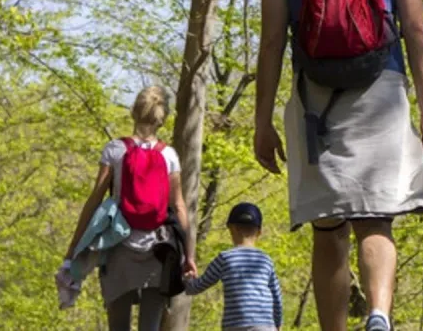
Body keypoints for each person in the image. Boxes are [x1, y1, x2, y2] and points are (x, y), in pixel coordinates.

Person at [253, 0, 423, 331]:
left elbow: (272, 41)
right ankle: (378, 315)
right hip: (382, 92)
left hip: (316, 100)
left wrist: (262, 122)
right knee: (376, 220)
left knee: (328, 227)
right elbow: (416, 31)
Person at [62, 86, 196, 331]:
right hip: (158, 248)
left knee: (119, 326)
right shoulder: (169, 155)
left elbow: (95, 201)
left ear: (133, 112)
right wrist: (189, 256)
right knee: (150, 327)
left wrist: (74, 248)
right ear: (161, 119)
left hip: (119, 246)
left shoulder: (115, 150)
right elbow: (178, 206)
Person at [183, 202, 284, 331]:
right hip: (264, 325)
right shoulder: (265, 260)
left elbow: (197, 287)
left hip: (235, 325)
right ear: (259, 232)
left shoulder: (225, 258)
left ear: (232, 229)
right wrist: (278, 324)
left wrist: (187, 278)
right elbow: (277, 296)